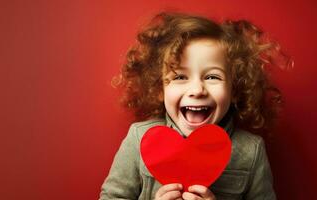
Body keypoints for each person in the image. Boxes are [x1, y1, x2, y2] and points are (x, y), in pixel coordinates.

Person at [100, 12, 290, 200]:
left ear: (234, 90)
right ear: (160, 88)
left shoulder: (251, 150)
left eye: (212, 77)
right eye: (180, 77)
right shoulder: (138, 138)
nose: (197, 90)